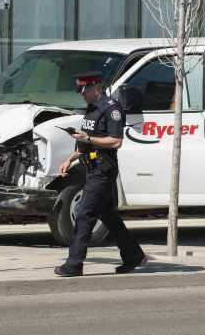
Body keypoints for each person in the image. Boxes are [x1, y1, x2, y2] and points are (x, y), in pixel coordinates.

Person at [54, 71, 147, 277]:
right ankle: (133, 255)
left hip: (103, 171)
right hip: (92, 168)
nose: (82, 94)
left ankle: (74, 263)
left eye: (85, 90)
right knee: (108, 217)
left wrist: (88, 139)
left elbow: (115, 141)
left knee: (84, 214)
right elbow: (87, 140)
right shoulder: (92, 110)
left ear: (96, 87)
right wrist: (70, 159)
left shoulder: (112, 110)